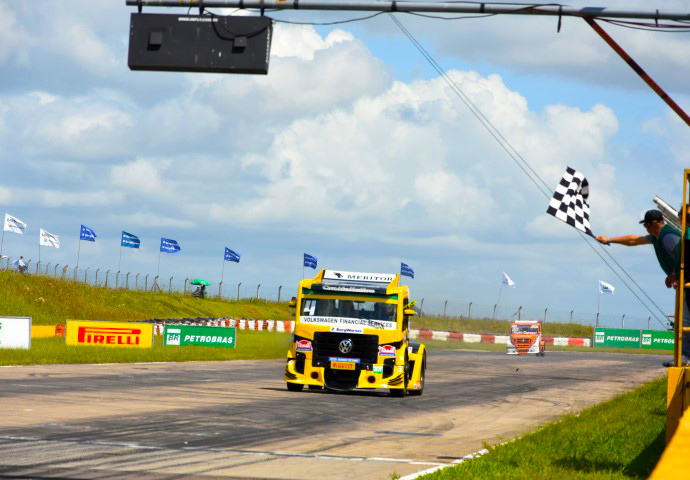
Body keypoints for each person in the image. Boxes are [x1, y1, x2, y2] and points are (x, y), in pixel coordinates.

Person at [597, 209, 689, 366]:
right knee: (685, 321)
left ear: (651, 225)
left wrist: (673, 275)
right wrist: (609, 240)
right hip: (683, 283)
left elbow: (683, 256)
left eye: (646, 225)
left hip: (685, 281)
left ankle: (685, 356)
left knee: (686, 322)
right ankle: (684, 356)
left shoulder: (667, 237)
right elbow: (634, 240)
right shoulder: (657, 237)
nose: (645, 229)